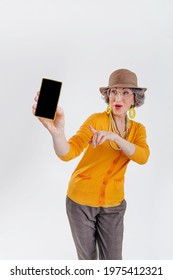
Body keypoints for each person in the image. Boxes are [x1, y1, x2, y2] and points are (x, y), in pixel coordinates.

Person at [32, 68, 150, 260]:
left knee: (113, 262)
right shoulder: (96, 120)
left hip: (114, 205)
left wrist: (116, 138)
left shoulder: (137, 130)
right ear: (108, 96)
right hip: (80, 202)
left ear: (134, 99)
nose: (117, 98)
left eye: (125, 93)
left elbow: (143, 157)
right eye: (113, 92)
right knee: (87, 262)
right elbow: (68, 153)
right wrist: (57, 133)